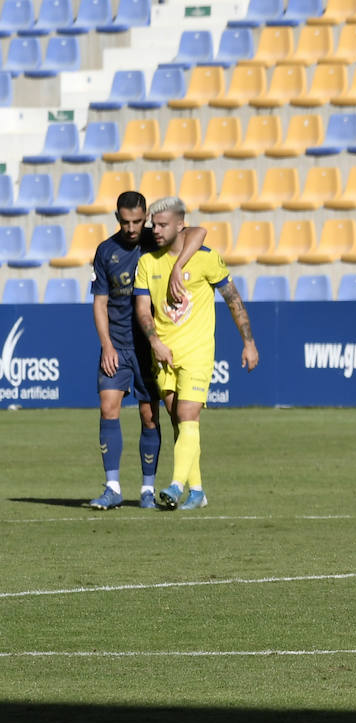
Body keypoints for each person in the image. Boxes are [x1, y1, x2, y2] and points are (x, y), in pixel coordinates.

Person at [134, 197, 258, 510]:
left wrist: (249, 341)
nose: (156, 231)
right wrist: (155, 343)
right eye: (154, 225)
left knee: (188, 416)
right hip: (163, 354)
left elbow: (233, 299)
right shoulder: (148, 262)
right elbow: (143, 311)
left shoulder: (206, 259)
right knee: (180, 423)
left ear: (180, 225)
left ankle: (175, 486)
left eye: (162, 225)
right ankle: (198, 491)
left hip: (198, 353)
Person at [88, 191, 204, 511]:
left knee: (149, 416)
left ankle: (147, 489)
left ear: (146, 218)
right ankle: (112, 487)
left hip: (149, 346)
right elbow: (100, 303)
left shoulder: (157, 239)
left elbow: (197, 232)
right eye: (125, 222)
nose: (131, 228)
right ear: (117, 219)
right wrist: (107, 345)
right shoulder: (106, 251)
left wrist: (179, 264)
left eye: (138, 221)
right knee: (108, 406)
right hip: (118, 344)